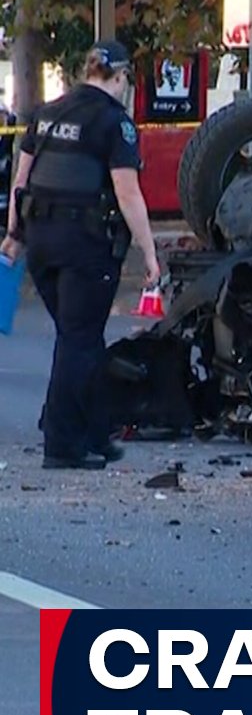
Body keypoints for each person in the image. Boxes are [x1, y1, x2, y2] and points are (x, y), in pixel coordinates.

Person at [0, 40, 160, 470]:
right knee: (79, 340)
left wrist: (14, 235)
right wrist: (149, 253)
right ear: (120, 77)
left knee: (79, 337)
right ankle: (62, 442)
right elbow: (128, 193)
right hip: (84, 245)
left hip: (41, 242)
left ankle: (95, 433)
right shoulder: (113, 122)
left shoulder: (47, 114)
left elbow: (21, 180)